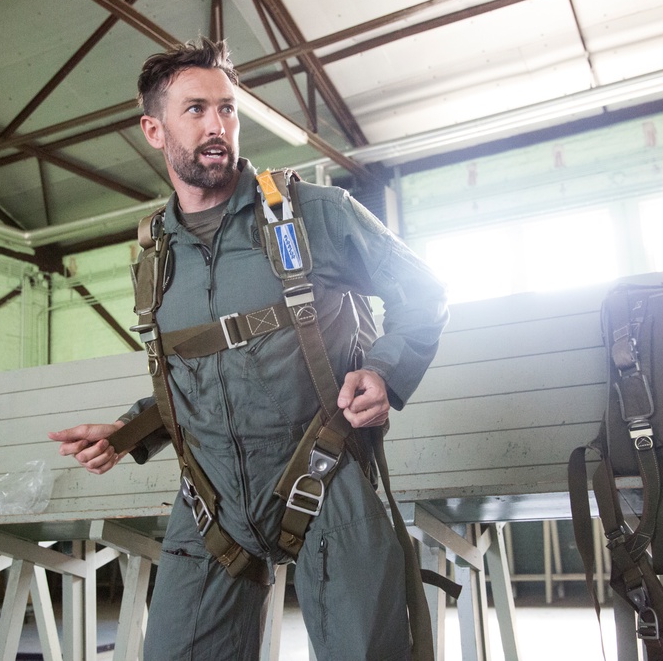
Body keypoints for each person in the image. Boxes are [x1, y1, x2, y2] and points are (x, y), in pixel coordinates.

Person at [50, 37, 448, 661]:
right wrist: (128, 432)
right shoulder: (156, 256)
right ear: (154, 130)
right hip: (211, 506)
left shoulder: (312, 214)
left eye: (227, 108)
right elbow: (191, 375)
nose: (218, 126)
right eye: (196, 110)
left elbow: (423, 291)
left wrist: (383, 371)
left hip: (327, 481)